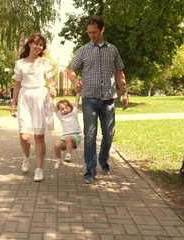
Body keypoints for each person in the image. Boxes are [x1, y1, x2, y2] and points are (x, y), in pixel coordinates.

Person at [67, 15, 129, 184]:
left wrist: (124, 92)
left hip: (108, 99)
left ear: (102, 30)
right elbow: (71, 71)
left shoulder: (113, 50)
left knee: (109, 134)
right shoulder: (83, 50)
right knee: (90, 135)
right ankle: (90, 170)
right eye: (89, 33)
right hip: (89, 99)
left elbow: (119, 73)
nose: (92, 35)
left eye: (95, 32)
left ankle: (103, 159)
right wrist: (75, 81)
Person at [10, 32, 57, 182]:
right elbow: (17, 85)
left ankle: (39, 169)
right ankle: (26, 157)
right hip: (25, 98)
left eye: (41, 44)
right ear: (30, 44)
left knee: (39, 135)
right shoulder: (20, 63)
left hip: (40, 97)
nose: (38, 47)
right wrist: (13, 103)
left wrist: (53, 88)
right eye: (36, 43)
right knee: (25, 136)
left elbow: (50, 80)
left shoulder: (44, 62)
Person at [52, 93, 82, 170]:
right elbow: (55, 107)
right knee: (56, 146)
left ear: (70, 107)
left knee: (68, 138)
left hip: (75, 137)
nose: (64, 110)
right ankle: (58, 161)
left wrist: (78, 94)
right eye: (62, 109)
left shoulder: (74, 113)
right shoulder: (60, 116)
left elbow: (76, 103)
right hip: (64, 137)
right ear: (59, 111)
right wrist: (53, 98)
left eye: (66, 108)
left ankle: (68, 155)